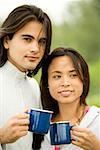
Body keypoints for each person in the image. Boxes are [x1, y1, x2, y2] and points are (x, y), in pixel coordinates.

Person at [0, 4, 52, 150]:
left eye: (41, 41)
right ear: (6, 41)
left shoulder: (34, 86)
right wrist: (1, 137)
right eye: (27, 39)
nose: (36, 49)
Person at [33, 47, 100, 150]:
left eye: (73, 75)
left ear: (84, 80)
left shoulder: (96, 120)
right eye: (57, 76)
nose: (65, 83)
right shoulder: (40, 125)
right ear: (47, 83)